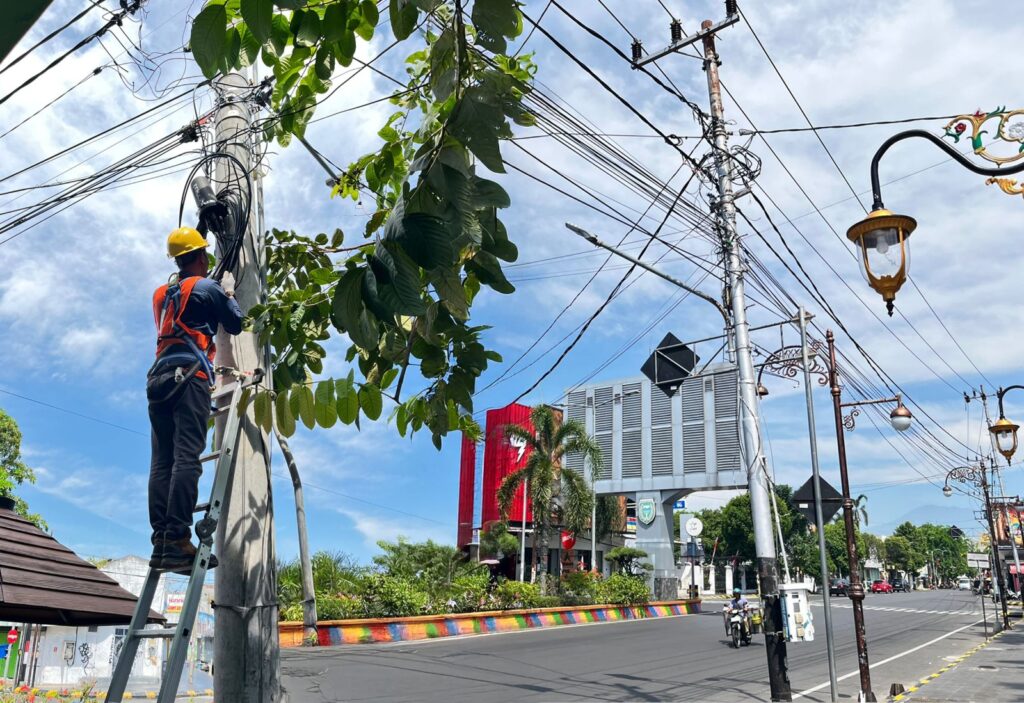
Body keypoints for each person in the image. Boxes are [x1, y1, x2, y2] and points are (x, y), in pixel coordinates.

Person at [147, 227, 242, 573]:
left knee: (162, 462)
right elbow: (235, 322)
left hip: (158, 379)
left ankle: (162, 540)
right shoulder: (206, 287)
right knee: (188, 457)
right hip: (189, 378)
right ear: (202, 256)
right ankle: (177, 539)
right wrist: (228, 292)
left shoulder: (161, 293)